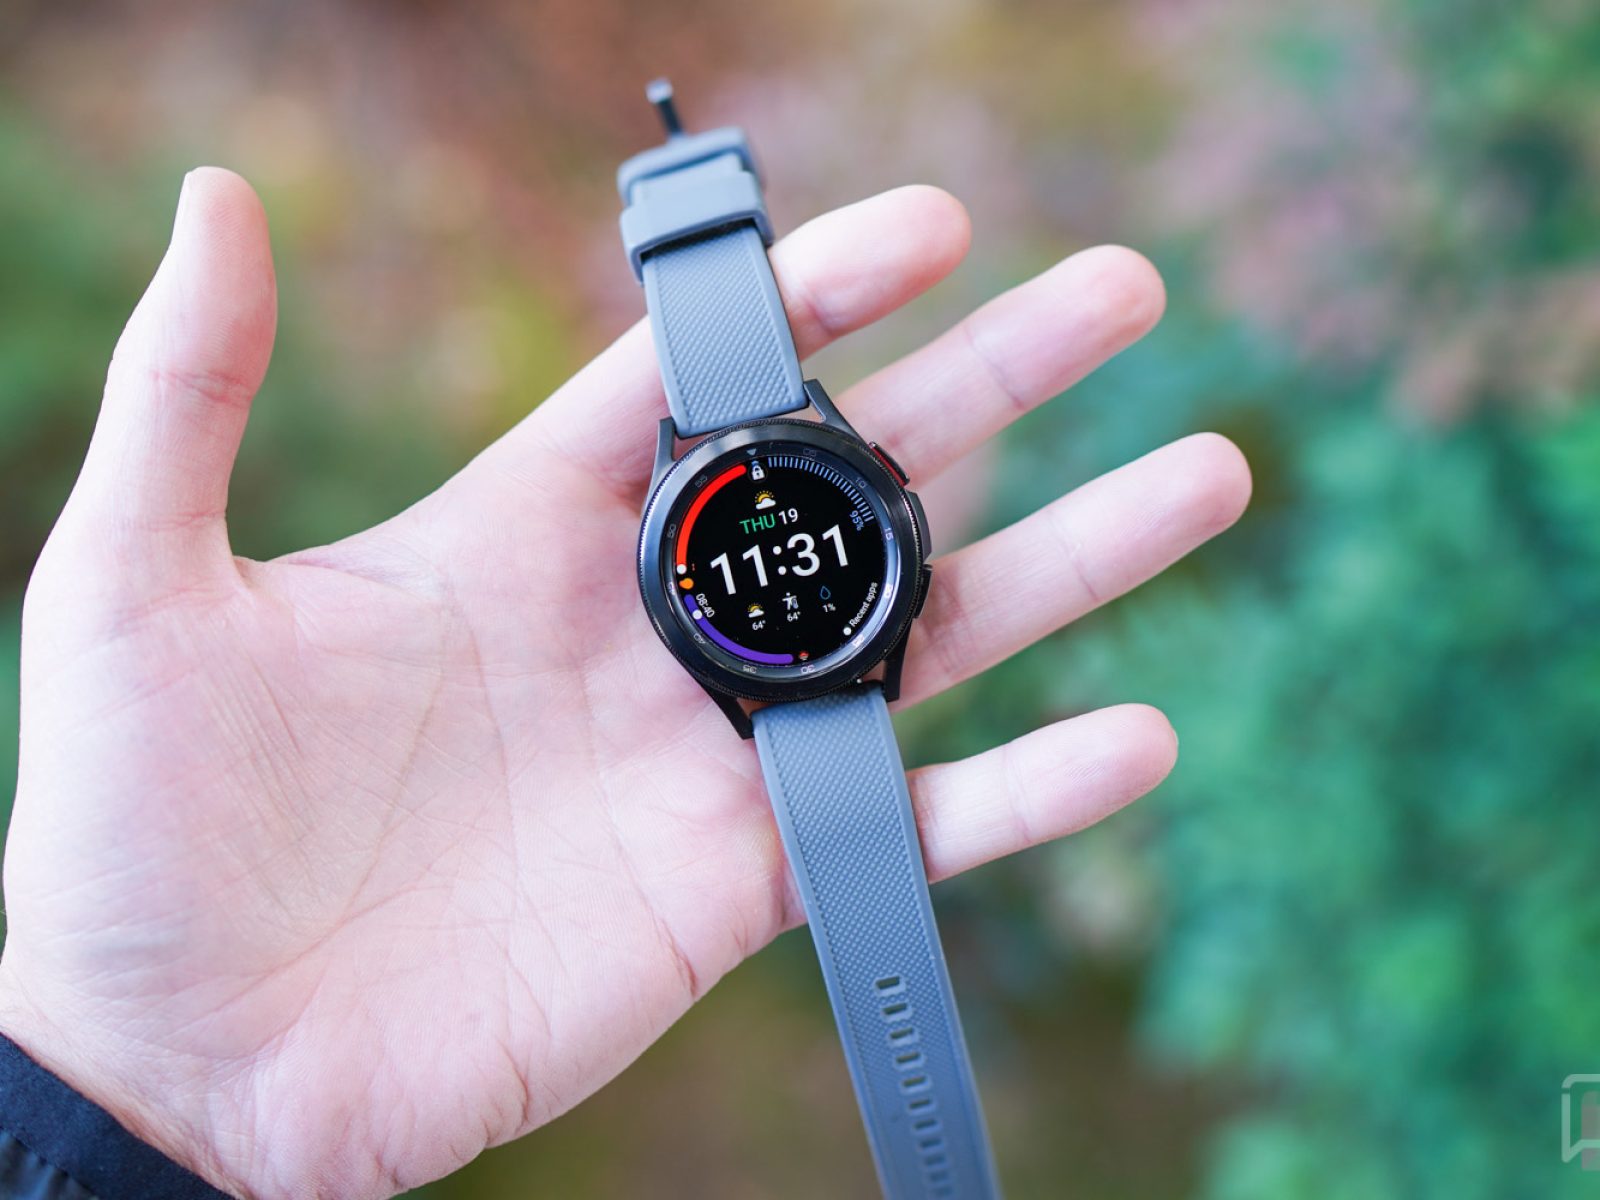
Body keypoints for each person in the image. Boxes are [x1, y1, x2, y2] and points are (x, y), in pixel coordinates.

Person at [0, 167, 1250, 1198]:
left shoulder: (771, 557)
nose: (789, 557)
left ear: (891, 522)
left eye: (807, 546)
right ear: (671, 584)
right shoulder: (725, 573)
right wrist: (147, 1088)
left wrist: (131, 1103)